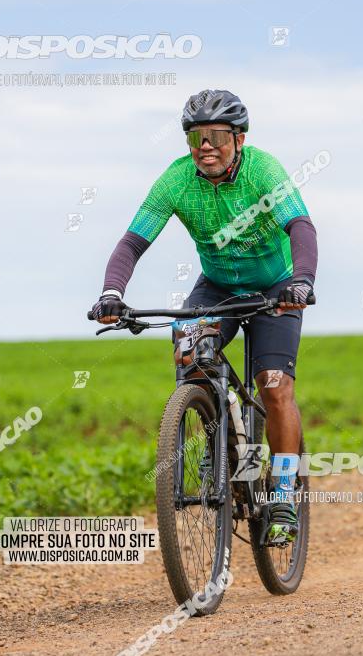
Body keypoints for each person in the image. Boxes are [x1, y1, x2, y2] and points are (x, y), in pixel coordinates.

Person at [90, 89, 318, 545]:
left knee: (273, 385)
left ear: (239, 138)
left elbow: (301, 226)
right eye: (195, 137)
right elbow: (132, 243)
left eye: (216, 135)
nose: (205, 146)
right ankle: (219, 444)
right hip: (217, 285)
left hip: (276, 287)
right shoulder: (176, 181)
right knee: (192, 361)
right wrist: (112, 293)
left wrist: (303, 282)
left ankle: (284, 489)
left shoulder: (263, 171)